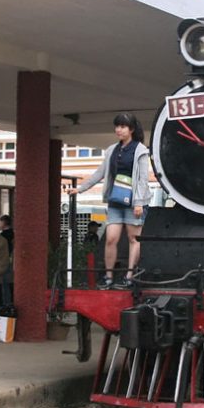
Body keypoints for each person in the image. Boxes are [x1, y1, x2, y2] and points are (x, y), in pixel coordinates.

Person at [66, 113, 151, 289]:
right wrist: (80, 189)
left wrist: (139, 203)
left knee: (133, 239)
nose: (118, 130)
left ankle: (129, 276)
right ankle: (109, 277)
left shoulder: (140, 150)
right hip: (115, 200)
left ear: (132, 129)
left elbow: (143, 179)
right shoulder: (112, 149)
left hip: (134, 202)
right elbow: (100, 173)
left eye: (122, 126)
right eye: (117, 126)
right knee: (111, 239)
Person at [0, 214, 14, 306]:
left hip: (3, 262)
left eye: (0, 221)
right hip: (10, 260)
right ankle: (9, 302)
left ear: (3, 222)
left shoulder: (2, 236)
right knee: (8, 283)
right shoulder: (13, 234)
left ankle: (6, 304)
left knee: (4, 284)